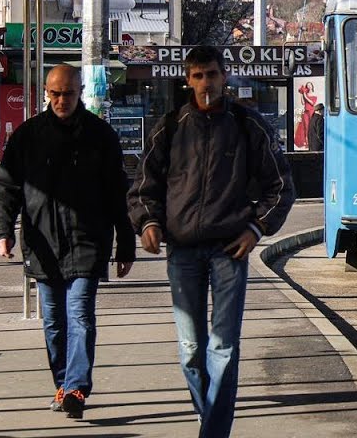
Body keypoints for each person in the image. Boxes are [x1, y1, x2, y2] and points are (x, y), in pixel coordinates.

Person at [128, 45, 295, 438]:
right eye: (199, 75)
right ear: (188, 79)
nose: (207, 83)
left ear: (225, 76)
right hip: (182, 250)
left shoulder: (248, 125)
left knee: (223, 347)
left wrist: (256, 230)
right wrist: (148, 223)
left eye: (213, 74)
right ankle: (211, 418)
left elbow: (281, 186)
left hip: (228, 251)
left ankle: (214, 432)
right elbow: (142, 188)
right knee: (191, 351)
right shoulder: (169, 127)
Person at [0, 65, 135, 420]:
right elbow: (6, 186)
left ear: (80, 91)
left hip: (88, 242)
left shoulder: (100, 135)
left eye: (68, 93)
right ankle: (63, 382)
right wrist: (3, 230)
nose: (61, 100)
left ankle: (75, 388)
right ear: (46, 93)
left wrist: (126, 243)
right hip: (43, 244)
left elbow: (118, 193)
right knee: (53, 323)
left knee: (80, 316)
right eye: (54, 94)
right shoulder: (27, 136)